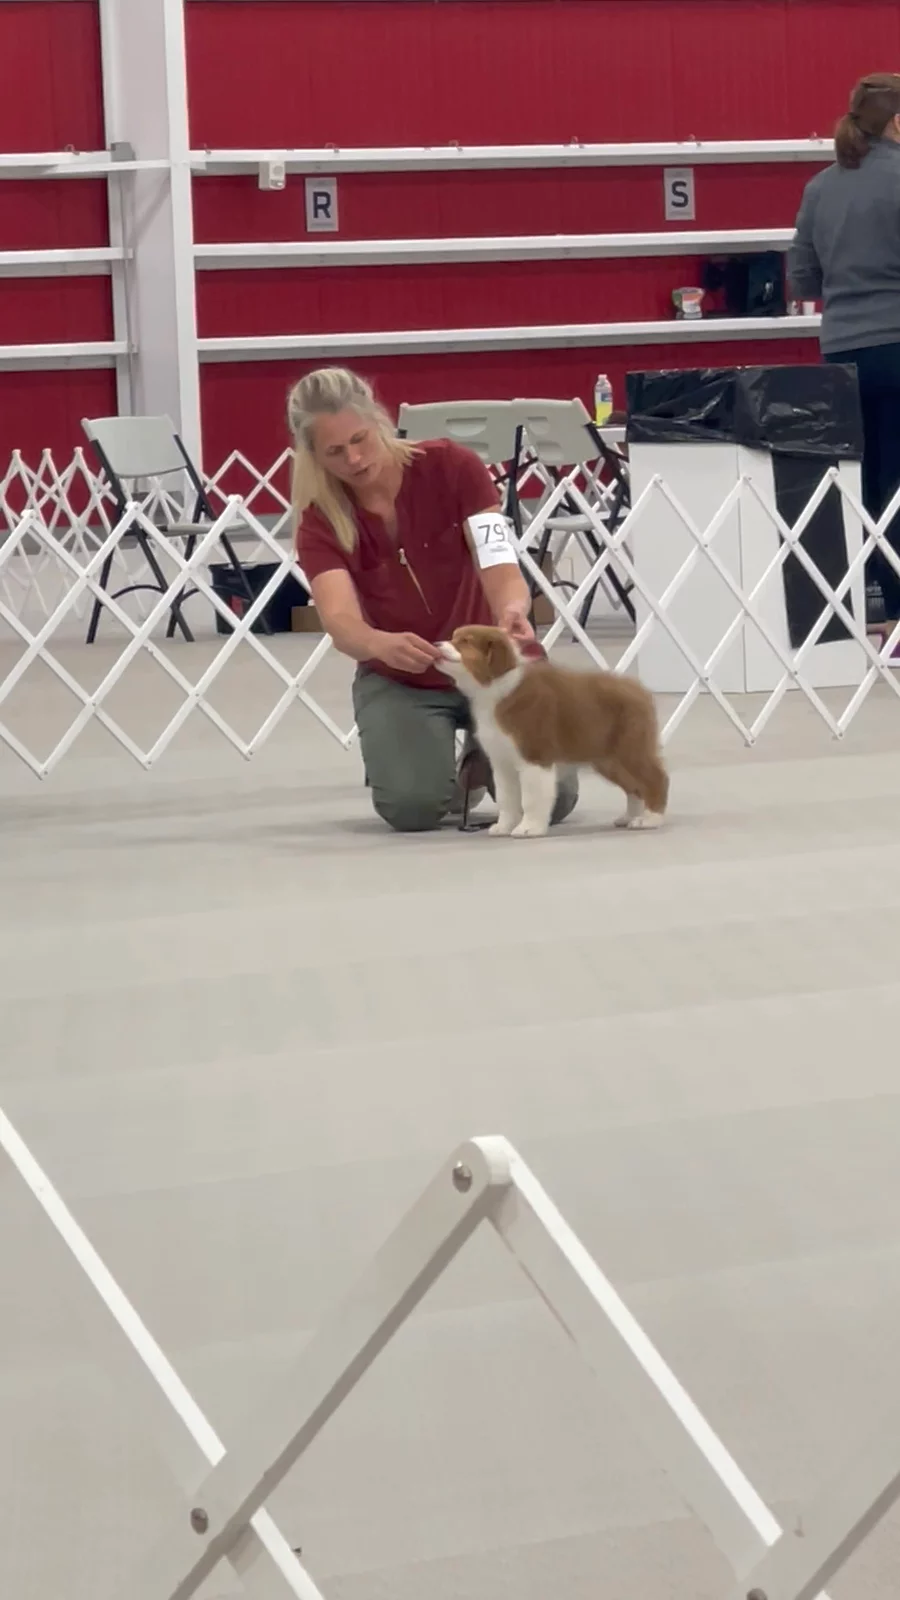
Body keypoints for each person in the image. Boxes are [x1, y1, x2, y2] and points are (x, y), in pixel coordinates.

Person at [290, 367, 578, 832]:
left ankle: (485, 748)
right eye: (335, 452)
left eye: (360, 439)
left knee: (555, 800)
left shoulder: (454, 466)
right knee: (412, 809)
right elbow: (339, 619)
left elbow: (499, 561)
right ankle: (461, 765)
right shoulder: (318, 521)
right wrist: (378, 644)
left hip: (494, 665)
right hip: (403, 677)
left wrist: (512, 607)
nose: (355, 458)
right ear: (313, 456)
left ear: (379, 420)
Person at [789, 72, 900, 626]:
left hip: (841, 352)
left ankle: (872, 599)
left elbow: (803, 278)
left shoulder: (819, 187)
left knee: (861, 479)